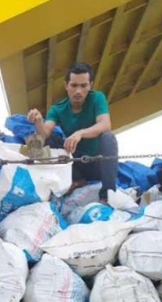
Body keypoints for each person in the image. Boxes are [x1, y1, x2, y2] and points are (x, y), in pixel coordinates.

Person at [28, 62, 119, 202]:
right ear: (66, 86)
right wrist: (38, 121)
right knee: (43, 141)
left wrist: (80, 133)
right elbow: (44, 133)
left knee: (108, 137)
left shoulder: (97, 98)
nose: (78, 91)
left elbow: (105, 124)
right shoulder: (57, 109)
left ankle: (107, 195)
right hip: (74, 164)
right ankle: (72, 180)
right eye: (74, 85)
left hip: (97, 164)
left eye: (83, 86)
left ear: (90, 85)